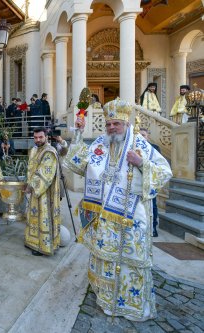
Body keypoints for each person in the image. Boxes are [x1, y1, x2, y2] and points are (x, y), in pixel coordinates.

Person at [63, 98, 172, 321]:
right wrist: (78, 135)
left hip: (131, 216)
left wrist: (141, 164)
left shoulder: (138, 145)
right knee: (106, 258)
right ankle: (106, 296)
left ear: (126, 123)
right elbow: (77, 164)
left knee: (129, 260)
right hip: (104, 214)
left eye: (116, 124)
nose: (112, 128)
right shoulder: (100, 145)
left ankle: (129, 304)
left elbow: (164, 171)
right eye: (109, 124)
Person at [25, 127, 61, 256]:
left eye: (40, 137)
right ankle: (33, 241)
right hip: (34, 189)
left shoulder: (49, 152)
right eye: (35, 137)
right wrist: (28, 182)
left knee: (43, 217)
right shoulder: (34, 149)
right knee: (34, 216)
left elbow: (45, 173)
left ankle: (44, 246)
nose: (38, 140)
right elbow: (31, 168)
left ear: (46, 137)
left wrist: (31, 186)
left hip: (44, 190)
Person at [139, 128, 161, 238]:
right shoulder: (134, 147)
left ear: (148, 137)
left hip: (150, 182)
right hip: (138, 182)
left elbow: (158, 165)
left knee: (153, 205)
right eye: (140, 135)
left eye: (143, 135)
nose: (141, 137)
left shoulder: (154, 148)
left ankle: (153, 227)